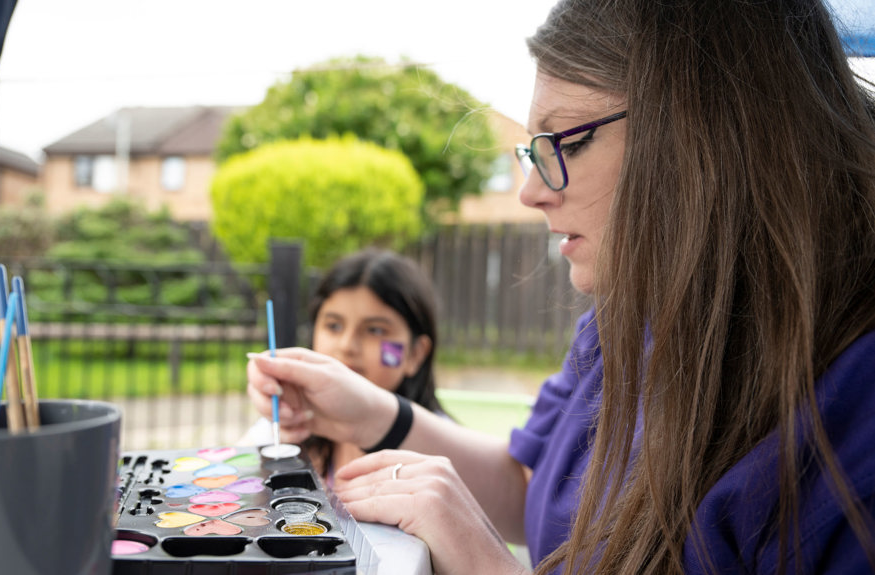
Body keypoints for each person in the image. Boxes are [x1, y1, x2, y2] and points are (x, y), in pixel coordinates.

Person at [246, 0, 875, 573]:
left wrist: (487, 564)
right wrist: (371, 410)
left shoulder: (854, 410)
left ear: (705, 133)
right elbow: (531, 487)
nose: (531, 190)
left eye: (564, 140)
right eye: (532, 150)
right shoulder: (620, 320)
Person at [243, 248, 445, 485]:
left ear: (416, 354)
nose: (347, 345)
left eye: (375, 330)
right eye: (334, 326)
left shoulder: (445, 451)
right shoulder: (283, 432)